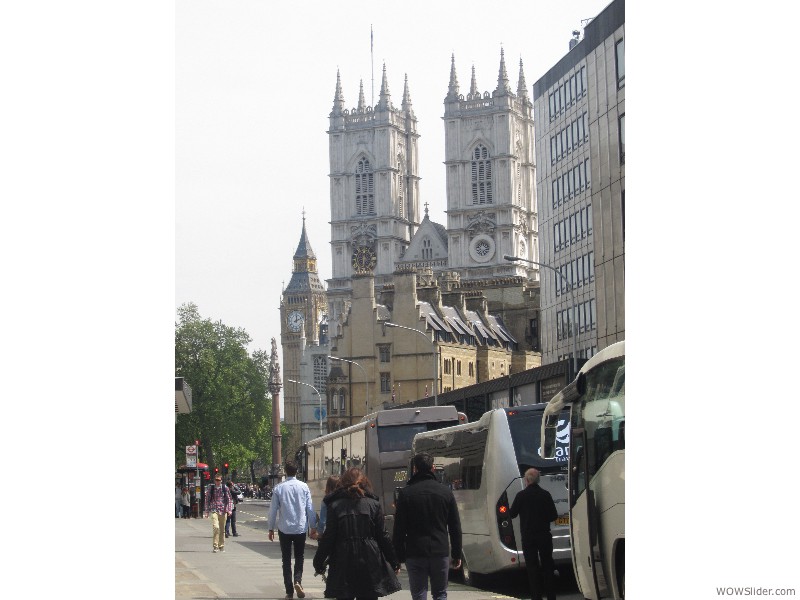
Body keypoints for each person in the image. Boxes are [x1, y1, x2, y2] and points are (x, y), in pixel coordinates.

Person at [313, 467, 401, 600]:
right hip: (370, 561)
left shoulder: (335, 506)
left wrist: (318, 562)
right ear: (364, 482)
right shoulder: (373, 504)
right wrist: (394, 561)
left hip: (342, 561)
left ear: (342, 483)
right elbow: (383, 536)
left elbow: (329, 537)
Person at [393, 452, 462, 600]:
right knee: (440, 594)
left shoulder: (406, 494)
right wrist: (456, 554)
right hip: (440, 551)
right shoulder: (445, 492)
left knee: (419, 594)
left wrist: (397, 557)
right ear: (433, 468)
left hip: (415, 551)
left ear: (415, 469)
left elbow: (399, 529)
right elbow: (455, 526)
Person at [268, 461, 318, 599]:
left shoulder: (279, 488)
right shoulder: (304, 487)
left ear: (285, 471)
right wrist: (313, 526)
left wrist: (270, 528)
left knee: (286, 559)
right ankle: (298, 580)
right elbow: (310, 508)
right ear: (297, 471)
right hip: (300, 528)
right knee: (299, 557)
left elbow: (273, 510)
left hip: (284, 528)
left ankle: (289, 590)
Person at [508, 468, 559, 600]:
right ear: (538, 480)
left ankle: (536, 596)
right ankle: (551, 596)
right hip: (544, 535)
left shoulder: (521, 496)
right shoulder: (545, 494)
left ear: (526, 480)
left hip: (528, 537)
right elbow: (553, 515)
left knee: (532, 567)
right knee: (548, 565)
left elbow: (512, 514)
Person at [204, 474, 234, 553]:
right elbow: (207, 500)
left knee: (222, 530)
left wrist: (229, 510)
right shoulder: (211, 488)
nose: (217, 482)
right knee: (216, 527)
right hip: (214, 510)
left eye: (219, 480)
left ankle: (221, 546)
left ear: (221, 480)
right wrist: (207, 511)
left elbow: (229, 500)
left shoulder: (225, 488)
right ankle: (215, 546)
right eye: (216, 480)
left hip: (223, 511)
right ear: (214, 480)